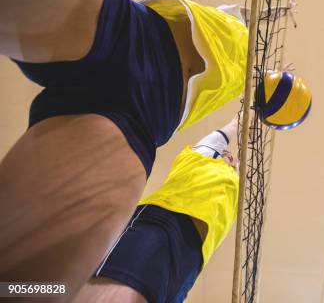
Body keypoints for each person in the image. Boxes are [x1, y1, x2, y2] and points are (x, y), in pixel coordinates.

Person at [0, 0, 294, 297]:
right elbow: (247, 16)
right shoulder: (234, 29)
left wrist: (246, 128)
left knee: (25, 289)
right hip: (131, 37)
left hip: (136, 120)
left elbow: (229, 137)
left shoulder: (218, 163)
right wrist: (270, 15)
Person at [73, 116, 240, 303]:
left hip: (193, 256)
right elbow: (222, 136)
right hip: (167, 218)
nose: (234, 162)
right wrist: (239, 121)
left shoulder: (235, 192)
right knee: (118, 289)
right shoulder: (202, 158)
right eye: (229, 156)